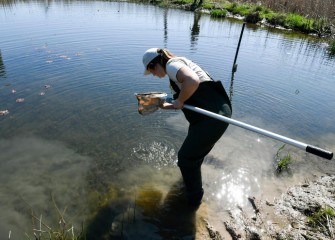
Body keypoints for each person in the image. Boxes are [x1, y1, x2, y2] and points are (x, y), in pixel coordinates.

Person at [142, 48, 232, 207]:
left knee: (185, 158)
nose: (154, 75)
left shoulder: (171, 65)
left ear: (155, 64)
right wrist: (162, 105)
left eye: (151, 71)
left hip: (213, 117)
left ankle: (193, 200)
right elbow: (182, 102)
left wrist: (180, 100)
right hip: (209, 115)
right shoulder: (176, 66)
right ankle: (190, 184)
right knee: (194, 155)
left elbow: (192, 81)